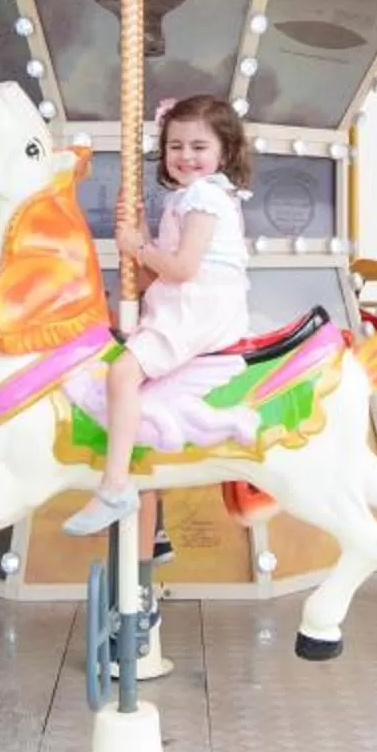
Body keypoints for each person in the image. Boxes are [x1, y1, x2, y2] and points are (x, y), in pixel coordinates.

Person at [66, 97, 254, 536]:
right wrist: (143, 241)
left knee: (121, 374)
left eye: (198, 147)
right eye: (175, 146)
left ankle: (114, 485)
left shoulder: (205, 196)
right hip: (192, 302)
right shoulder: (192, 197)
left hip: (199, 307)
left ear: (223, 152)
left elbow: (184, 268)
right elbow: (158, 275)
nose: (185, 156)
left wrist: (136, 247)